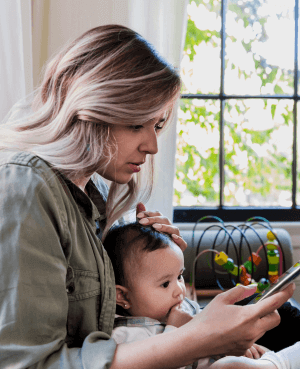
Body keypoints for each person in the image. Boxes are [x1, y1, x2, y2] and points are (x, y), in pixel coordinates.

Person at [0, 24, 294, 369]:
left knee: (283, 315)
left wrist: (143, 254)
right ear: (90, 110)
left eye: (155, 125)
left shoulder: (89, 194)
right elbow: (27, 364)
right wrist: (195, 339)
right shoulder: (26, 188)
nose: (152, 146)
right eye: (136, 125)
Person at [103, 222, 270, 368]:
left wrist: (235, 347)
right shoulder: (125, 336)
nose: (180, 290)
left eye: (180, 276)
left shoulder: (185, 307)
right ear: (123, 296)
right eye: (165, 284)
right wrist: (174, 330)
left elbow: (215, 337)